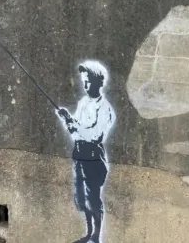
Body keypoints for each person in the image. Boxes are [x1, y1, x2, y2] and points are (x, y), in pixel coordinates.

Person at [57, 60, 116, 243]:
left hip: (93, 156)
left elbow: (95, 136)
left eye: (88, 80)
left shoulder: (105, 108)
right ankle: (89, 233)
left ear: (99, 81)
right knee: (82, 198)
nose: (85, 84)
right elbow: (76, 131)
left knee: (93, 198)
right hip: (79, 154)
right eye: (84, 80)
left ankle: (96, 237)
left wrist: (74, 127)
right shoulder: (83, 103)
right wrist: (68, 120)